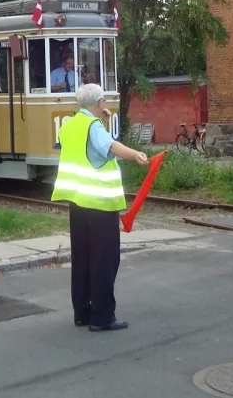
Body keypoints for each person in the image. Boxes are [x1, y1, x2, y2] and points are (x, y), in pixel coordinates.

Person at [51, 83, 149, 332]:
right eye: (103, 101)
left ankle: (83, 312)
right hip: (99, 204)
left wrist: (102, 124)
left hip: (77, 202)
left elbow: (90, 151)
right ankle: (102, 316)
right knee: (104, 259)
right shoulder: (93, 126)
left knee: (82, 258)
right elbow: (108, 148)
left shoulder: (69, 125)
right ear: (99, 103)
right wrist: (135, 154)